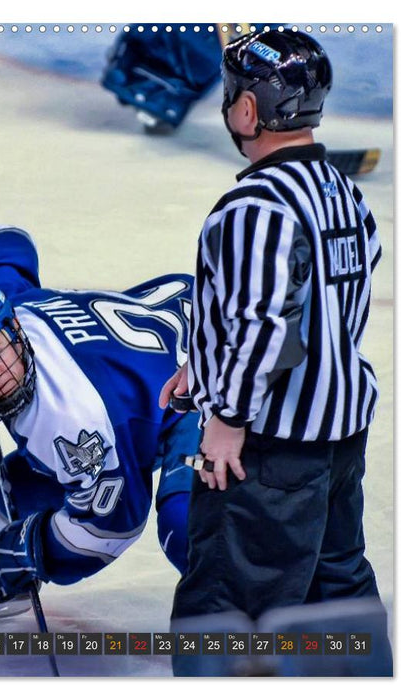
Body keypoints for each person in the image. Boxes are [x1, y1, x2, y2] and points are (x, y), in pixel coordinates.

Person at [159, 29, 392, 675]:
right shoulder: (341, 190)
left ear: (245, 111)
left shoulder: (253, 207)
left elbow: (265, 327)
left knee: (226, 610)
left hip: (270, 451)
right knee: (335, 595)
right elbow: (332, 303)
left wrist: (226, 418)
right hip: (340, 439)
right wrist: (202, 364)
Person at [0, 224, 197, 625]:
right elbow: (4, 242)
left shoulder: (70, 416)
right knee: (22, 482)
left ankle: (259, 615)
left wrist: (37, 550)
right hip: (154, 352)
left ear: (14, 330)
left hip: (198, 374)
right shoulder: (3, 305)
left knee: (184, 519)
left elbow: (114, 525)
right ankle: (3, 582)